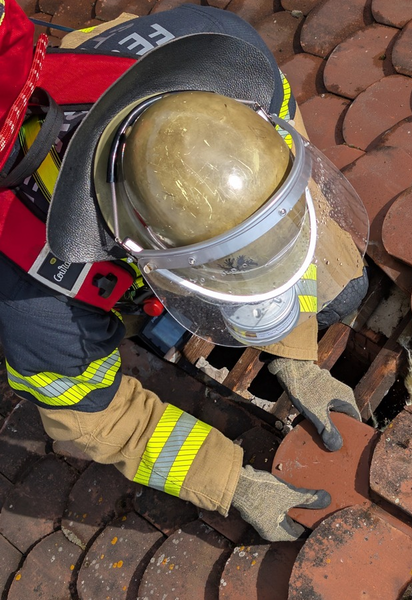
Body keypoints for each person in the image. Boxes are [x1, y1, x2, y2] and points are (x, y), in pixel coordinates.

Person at [0, 0, 370, 542]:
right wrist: (234, 484)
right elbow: (96, 418)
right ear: (140, 248)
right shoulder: (37, 310)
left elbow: (283, 194)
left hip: (61, 69)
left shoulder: (224, 56)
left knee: (343, 291)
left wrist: (295, 352)